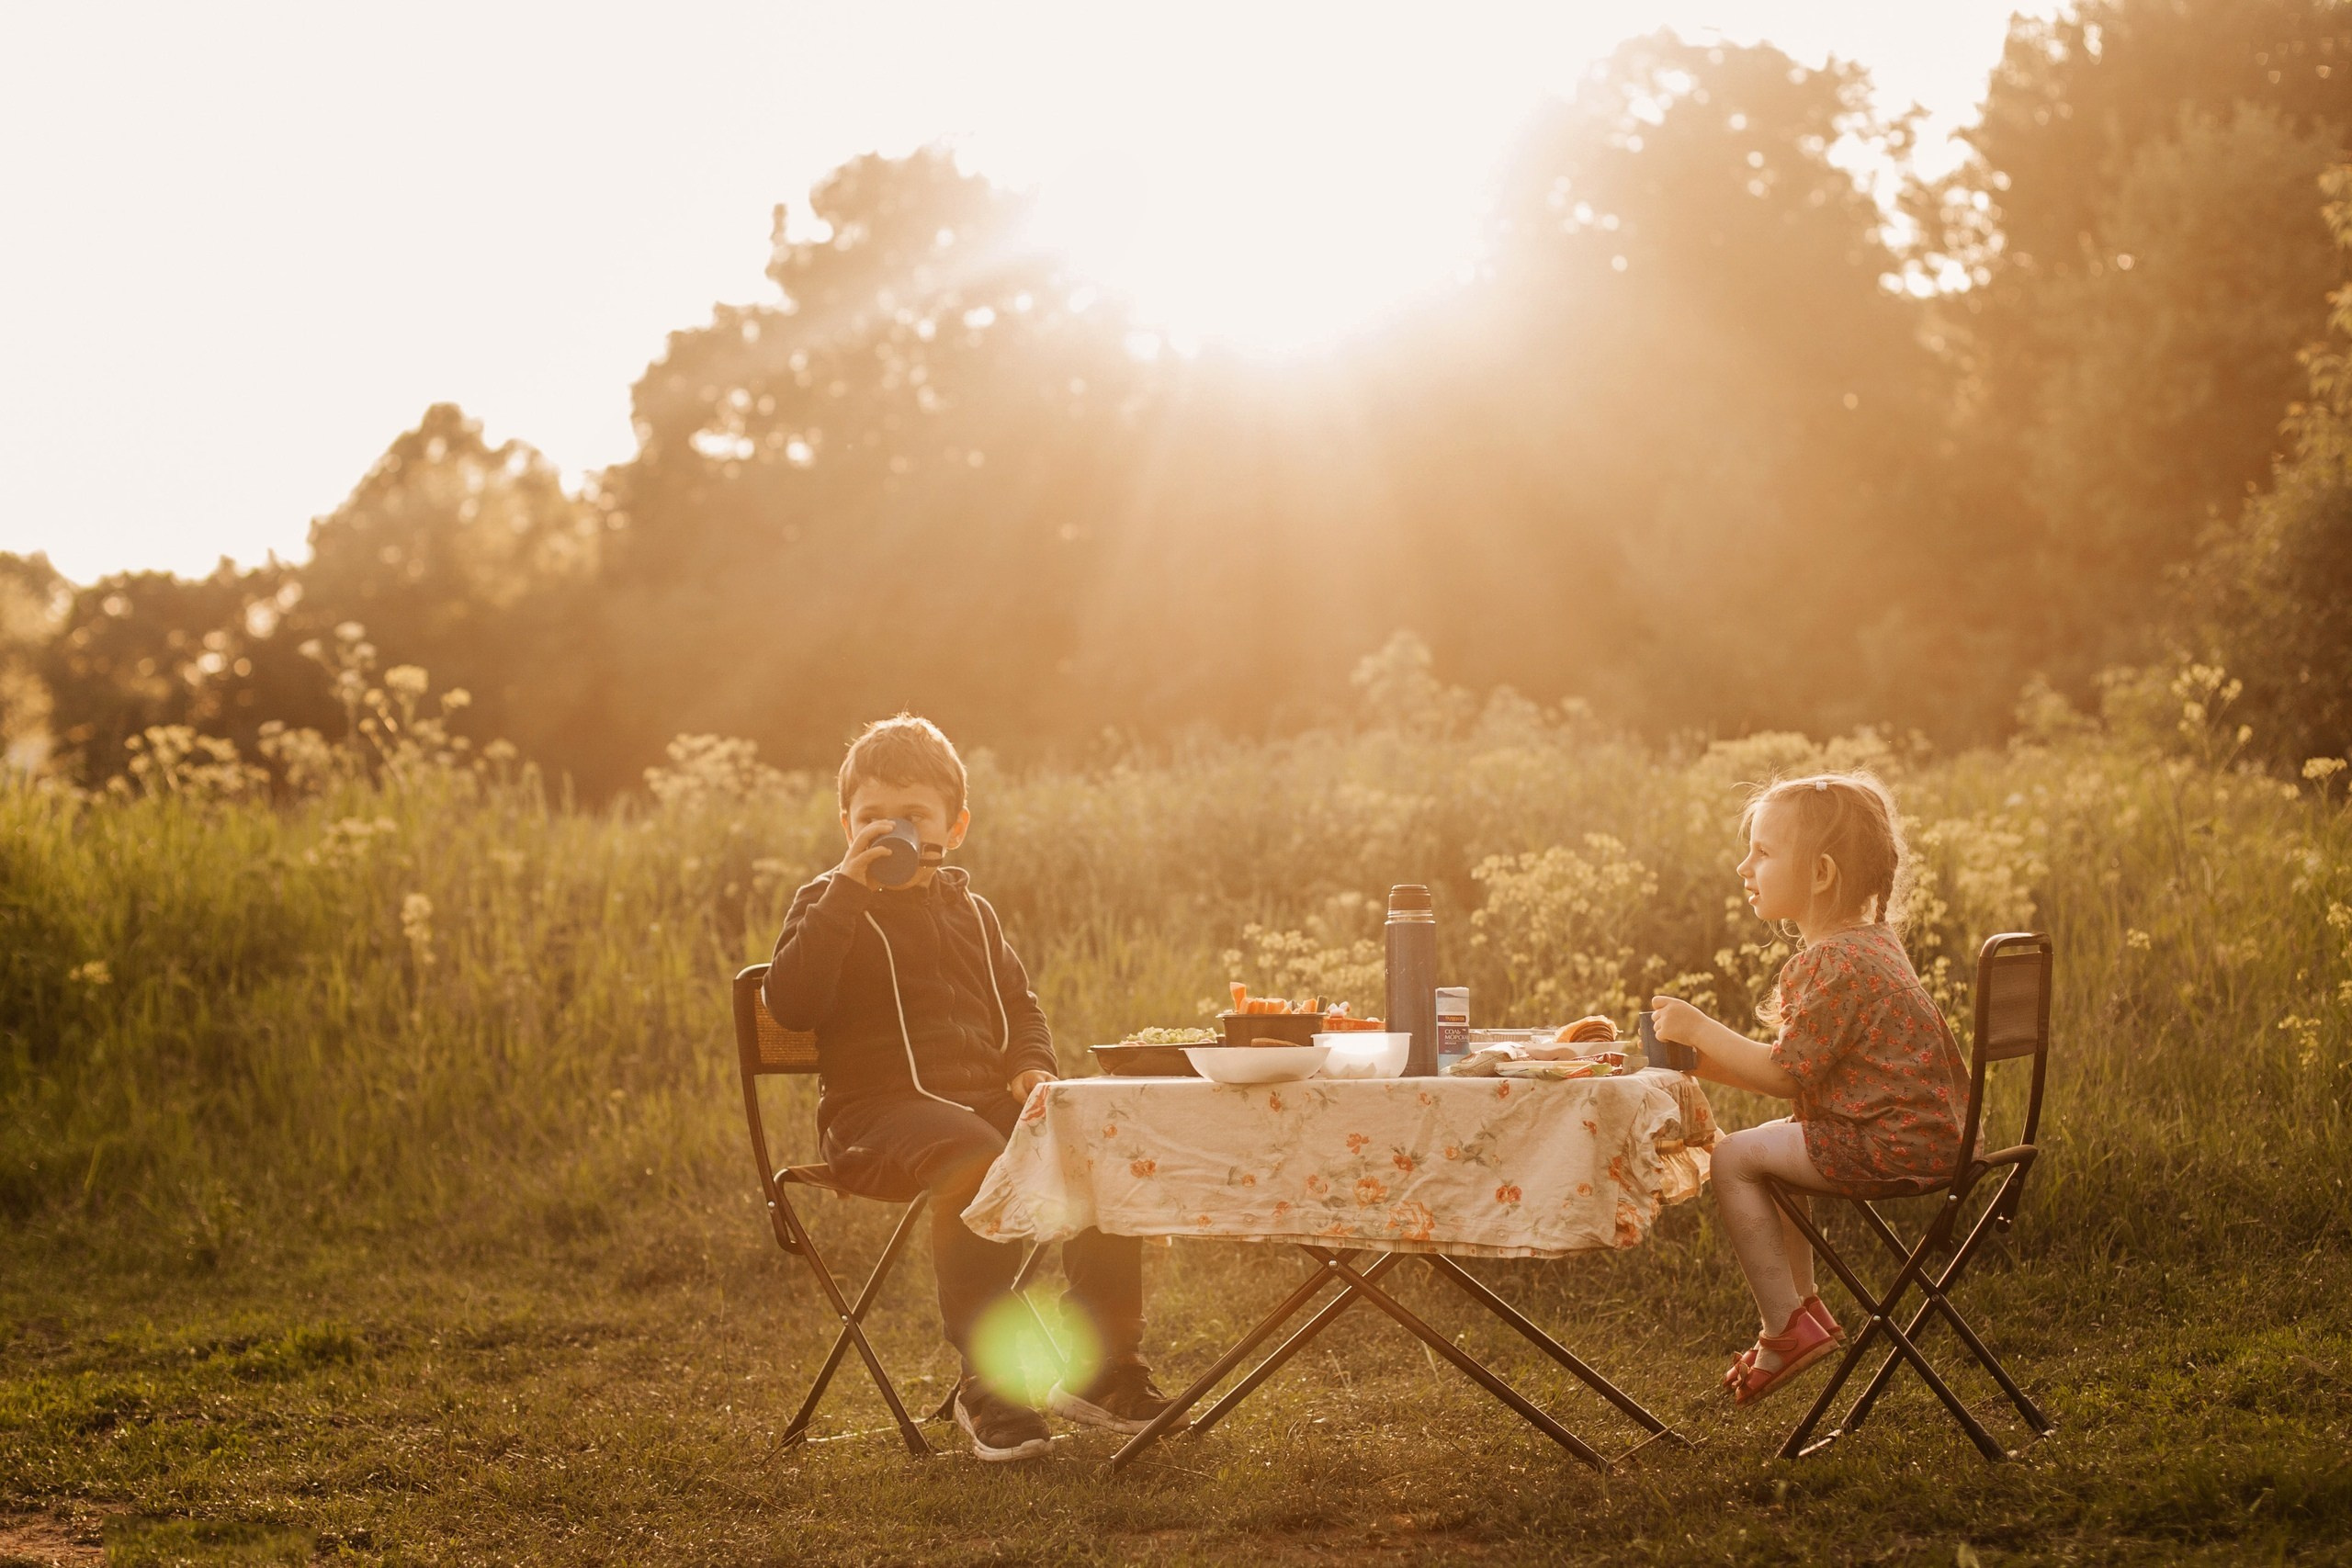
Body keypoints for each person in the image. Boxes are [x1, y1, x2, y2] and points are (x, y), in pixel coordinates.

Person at [764, 714, 1173, 1461]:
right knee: (973, 1153)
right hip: (872, 1118)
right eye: (871, 819)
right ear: (845, 826)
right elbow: (789, 1002)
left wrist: (1030, 1064)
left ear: (954, 825)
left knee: (1097, 1134)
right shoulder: (827, 904)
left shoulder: (973, 913)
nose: (891, 831)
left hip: (980, 1110)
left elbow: (1020, 1007)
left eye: (913, 815)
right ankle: (989, 1380)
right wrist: (844, 894)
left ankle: (1105, 1367)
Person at [1648, 771, 1968, 1406]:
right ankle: (1806, 1310)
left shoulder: (1832, 961)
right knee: (1773, 1145)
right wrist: (1702, 1060)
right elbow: (1799, 1068)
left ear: (1821, 874)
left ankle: (1782, 1325)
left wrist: (1699, 1025)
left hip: (1896, 1146)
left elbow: (1785, 1073)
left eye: (1763, 852)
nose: (1745, 866)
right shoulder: (1872, 944)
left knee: (1735, 1155)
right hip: (1935, 1138)